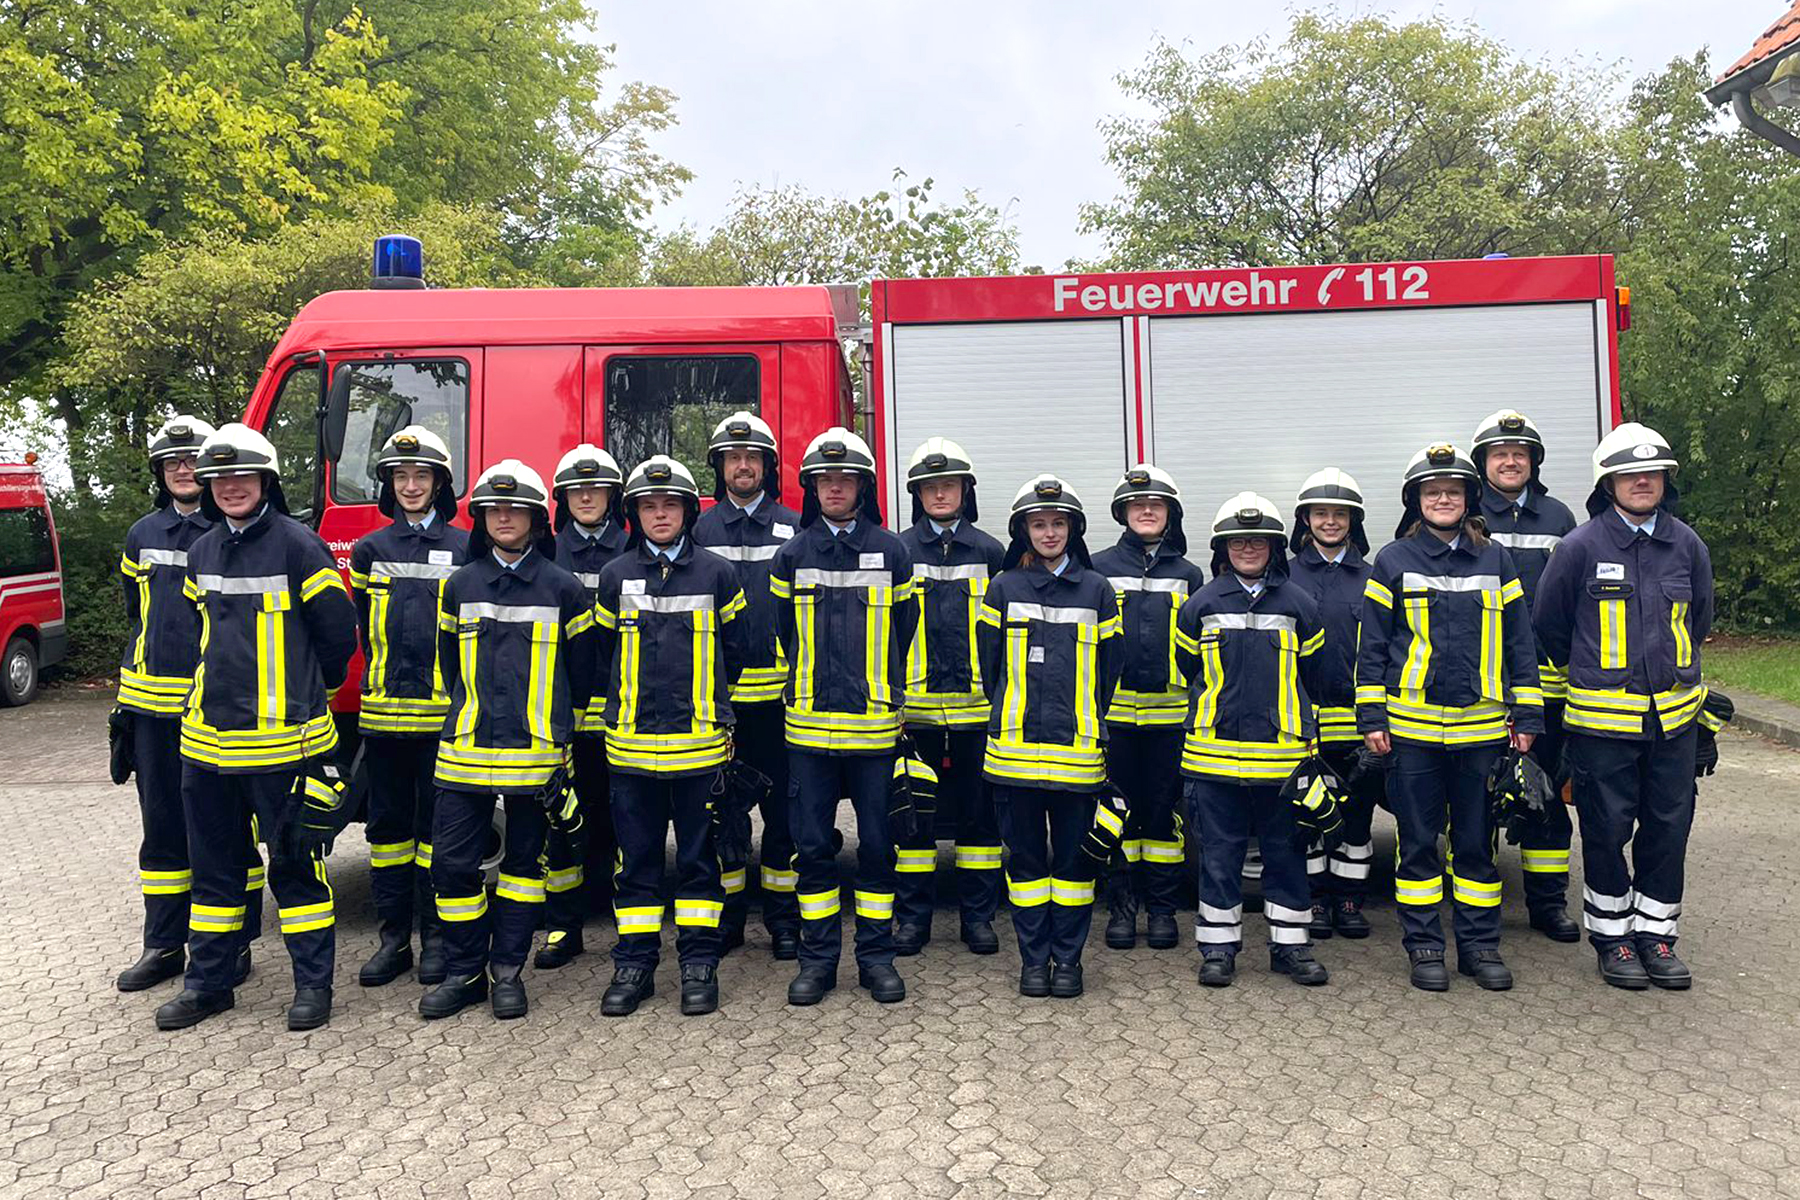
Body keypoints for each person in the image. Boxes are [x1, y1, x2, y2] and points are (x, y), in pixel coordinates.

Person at [154, 424, 356, 1031]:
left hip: (284, 746)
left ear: (266, 481)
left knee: (295, 869)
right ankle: (208, 985)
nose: (230, 487)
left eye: (242, 475)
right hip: (207, 746)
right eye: (219, 478)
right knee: (214, 874)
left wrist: (303, 694)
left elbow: (338, 637)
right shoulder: (202, 551)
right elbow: (198, 636)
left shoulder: (300, 546)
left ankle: (313, 987)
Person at [1356, 444, 1544, 993]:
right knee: (1417, 841)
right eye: (1433, 491)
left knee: (1476, 843)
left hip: (1482, 731)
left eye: (1453, 491)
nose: (1443, 499)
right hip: (1411, 731)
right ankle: (1424, 947)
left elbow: (1520, 643)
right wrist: (1371, 715)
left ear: (1469, 499)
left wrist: (1528, 713)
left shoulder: (1496, 559)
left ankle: (1480, 947)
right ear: (1416, 501)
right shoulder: (1392, 560)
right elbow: (1373, 647)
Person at [1533, 422, 1713, 990]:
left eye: (1652, 473)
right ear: (1606, 484)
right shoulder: (1579, 547)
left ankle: (1657, 936)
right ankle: (1612, 939)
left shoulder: (1687, 545)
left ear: (1665, 481)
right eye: (1629, 474)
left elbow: (1699, 620)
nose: (1642, 481)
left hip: (1674, 725)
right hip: (1601, 726)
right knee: (1606, 829)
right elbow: (1550, 626)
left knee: (1668, 828)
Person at [421, 461, 597, 1021]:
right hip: (465, 751)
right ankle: (464, 972)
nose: (504, 517)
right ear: (479, 518)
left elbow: (583, 673)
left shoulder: (565, 589)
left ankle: (507, 973)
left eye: (516, 509)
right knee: (451, 865)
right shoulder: (459, 586)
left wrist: (558, 732)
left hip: (535, 755)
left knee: (523, 871)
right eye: (494, 510)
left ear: (536, 520)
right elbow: (449, 665)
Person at [767, 427, 917, 1006]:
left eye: (845, 479)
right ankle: (818, 962)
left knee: (877, 848)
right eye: (825, 479)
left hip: (875, 732)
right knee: (812, 849)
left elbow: (904, 630)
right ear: (811, 487)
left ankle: (877, 960)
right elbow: (783, 630)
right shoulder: (791, 555)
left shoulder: (893, 552)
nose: (834, 487)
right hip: (808, 732)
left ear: (862, 487)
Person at [593, 456, 748, 1017]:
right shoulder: (615, 576)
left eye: (670, 505)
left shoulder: (717, 574)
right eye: (649, 506)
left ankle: (699, 963)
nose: (660, 514)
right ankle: (634, 965)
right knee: (635, 862)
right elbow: (601, 655)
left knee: (700, 861)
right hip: (631, 750)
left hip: (700, 749)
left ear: (687, 511)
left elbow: (737, 651)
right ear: (634, 514)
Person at [115, 417, 263, 994]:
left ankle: (235, 941)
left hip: (216, 711)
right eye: (171, 462)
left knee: (229, 830)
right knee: (162, 829)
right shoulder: (141, 533)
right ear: (160, 471)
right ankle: (163, 944)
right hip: (151, 708)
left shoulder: (231, 533)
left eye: (191, 461)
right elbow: (138, 615)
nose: (182, 469)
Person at [1174, 493, 1330, 987]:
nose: (1247, 548)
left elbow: (1314, 675)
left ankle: (1291, 948)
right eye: (1238, 541)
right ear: (1222, 548)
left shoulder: (1300, 604)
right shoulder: (1200, 604)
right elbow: (1188, 668)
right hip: (1213, 759)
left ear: (1274, 547)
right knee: (1219, 857)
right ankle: (1218, 950)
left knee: (1286, 854)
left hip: (1282, 761)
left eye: (1258, 541)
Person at [977, 476, 1121, 998]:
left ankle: (1069, 961)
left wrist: (1085, 717)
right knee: (1027, 865)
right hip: (1013, 756)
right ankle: (1034, 961)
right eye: (1039, 525)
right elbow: (989, 664)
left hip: (1077, 756)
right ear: (1024, 532)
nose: (1049, 533)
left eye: (1058, 523)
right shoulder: (1003, 588)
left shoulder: (1098, 590)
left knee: (1074, 866)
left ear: (1073, 530)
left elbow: (1110, 670)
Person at [348, 426, 468, 989]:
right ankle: (393, 940)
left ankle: (437, 940)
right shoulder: (370, 551)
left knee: (438, 834)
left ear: (440, 484)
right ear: (389, 485)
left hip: (443, 719)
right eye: (401, 476)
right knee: (388, 836)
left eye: (422, 476)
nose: (411, 485)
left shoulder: (466, 549)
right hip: (383, 719)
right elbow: (363, 626)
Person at [692, 412, 803, 959]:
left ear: (767, 467)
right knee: (723, 816)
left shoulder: (795, 527)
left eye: (751, 458)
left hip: (779, 702)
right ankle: (729, 919)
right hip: (722, 704)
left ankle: (783, 920)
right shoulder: (698, 531)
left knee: (784, 815)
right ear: (719, 467)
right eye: (733, 458)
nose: (742, 466)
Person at [1471, 409, 1582, 943]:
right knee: (1477, 800)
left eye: (1520, 454)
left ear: (1534, 462)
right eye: (1500, 454)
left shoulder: (1559, 518)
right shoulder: (1466, 514)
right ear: (1483, 463)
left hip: (1548, 691)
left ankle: (1547, 902)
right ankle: (1477, 904)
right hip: (1482, 691)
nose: (1510, 462)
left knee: (1546, 797)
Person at [894, 438, 1006, 957]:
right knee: (912, 818)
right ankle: (912, 920)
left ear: (966, 491)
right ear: (917, 495)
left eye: (949, 485)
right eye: (930, 487)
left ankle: (978, 918)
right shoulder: (897, 552)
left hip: (977, 713)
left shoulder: (991, 553)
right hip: (914, 713)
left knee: (978, 819)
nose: (940, 494)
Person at [1089, 465, 1205, 952]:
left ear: (1170, 513)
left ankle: (1161, 910)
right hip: (1114, 719)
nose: (1146, 511)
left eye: (1155, 505)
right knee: (1115, 813)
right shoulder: (1097, 567)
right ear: (1123, 513)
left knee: (1161, 819)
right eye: (1137, 505)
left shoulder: (1189, 574)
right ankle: (1121, 907)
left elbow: (1198, 650)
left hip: (1169, 719)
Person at [535, 443, 628, 971]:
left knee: (620, 823)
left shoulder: (635, 549)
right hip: (563, 716)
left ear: (613, 496)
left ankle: (625, 923)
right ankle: (563, 927)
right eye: (576, 490)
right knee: (561, 826)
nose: (586, 498)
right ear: (562, 499)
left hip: (619, 714)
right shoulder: (545, 554)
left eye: (595, 489)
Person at [1285, 469, 1380, 940]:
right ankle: (1316, 900)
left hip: (1357, 722)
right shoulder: (1285, 575)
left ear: (1353, 521)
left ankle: (1349, 899)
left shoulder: (1373, 577)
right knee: (1308, 814)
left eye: (1339, 514)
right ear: (1305, 519)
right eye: (1320, 513)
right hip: (1303, 723)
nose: (1329, 522)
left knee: (1357, 817)